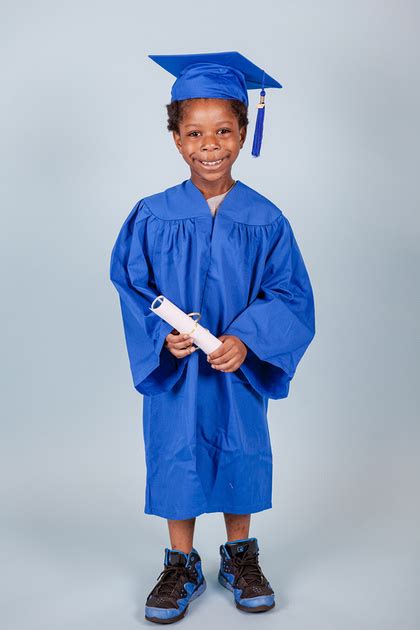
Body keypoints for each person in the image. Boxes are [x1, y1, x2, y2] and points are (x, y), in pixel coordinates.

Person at [109, 51, 316, 624]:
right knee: (176, 451)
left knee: (240, 447)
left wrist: (248, 341)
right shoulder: (152, 215)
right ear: (175, 138)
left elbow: (290, 294)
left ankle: (240, 556)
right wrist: (163, 338)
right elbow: (131, 286)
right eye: (194, 132)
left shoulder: (267, 219)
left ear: (244, 133)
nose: (210, 144)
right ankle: (180, 562)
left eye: (224, 130)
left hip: (235, 365)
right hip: (179, 369)